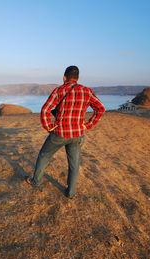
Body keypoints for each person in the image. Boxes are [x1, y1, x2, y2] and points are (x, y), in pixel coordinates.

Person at [25, 65, 105, 199]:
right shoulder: (87, 91)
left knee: (44, 156)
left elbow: (45, 110)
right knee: (74, 164)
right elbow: (101, 109)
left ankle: (36, 181)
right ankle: (71, 192)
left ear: (64, 77)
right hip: (77, 134)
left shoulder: (59, 90)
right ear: (78, 78)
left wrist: (49, 127)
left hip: (59, 133)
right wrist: (88, 125)